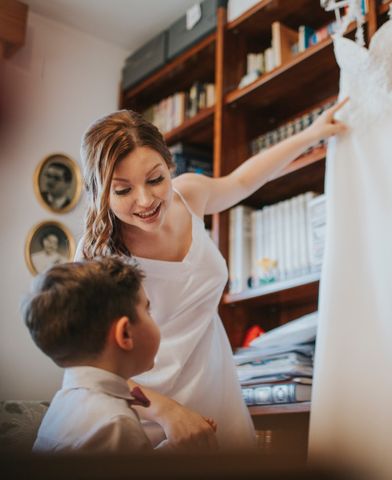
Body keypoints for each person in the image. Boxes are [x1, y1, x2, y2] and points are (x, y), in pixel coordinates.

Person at [77, 104, 348, 449]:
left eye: (156, 179)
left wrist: (311, 135)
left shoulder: (188, 196)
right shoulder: (95, 255)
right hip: (147, 413)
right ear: (99, 192)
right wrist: (168, 412)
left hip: (216, 390)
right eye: (122, 190)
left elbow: (244, 179)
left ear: (170, 168)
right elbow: (92, 372)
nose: (145, 200)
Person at [24, 258, 211, 453]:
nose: (152, 317)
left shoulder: (62, 404)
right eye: (147, 310)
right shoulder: (116, 424)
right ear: (125, 333)